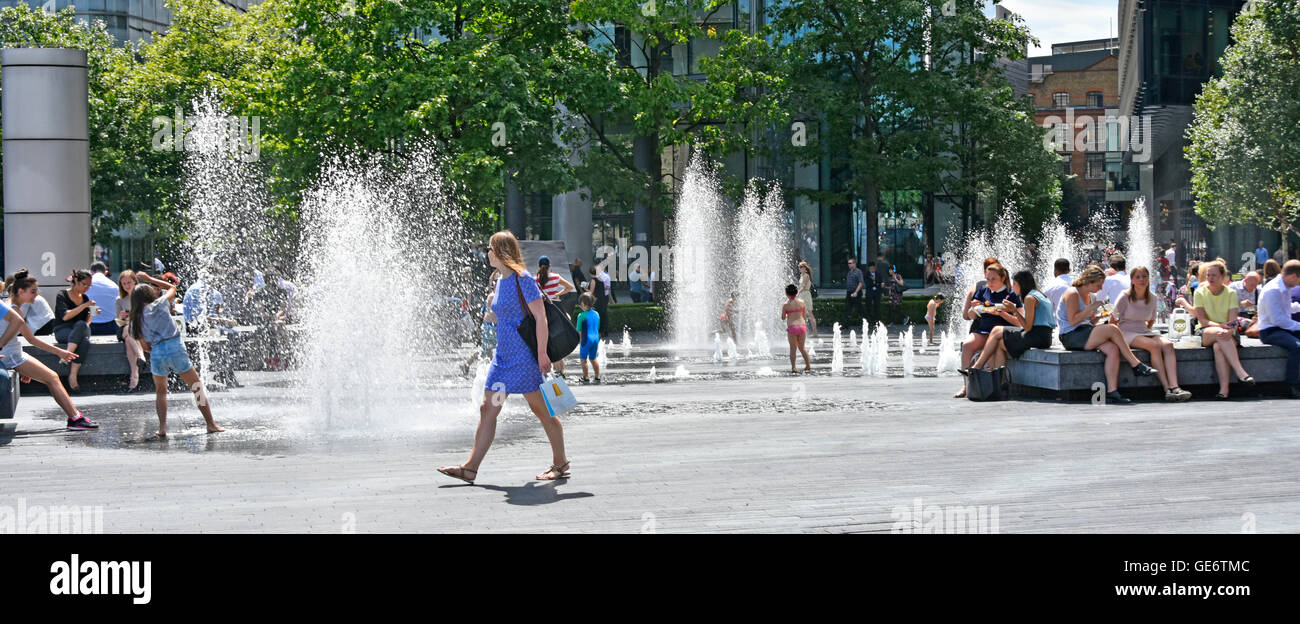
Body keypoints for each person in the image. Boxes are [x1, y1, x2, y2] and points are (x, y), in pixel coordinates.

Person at [439, 231, 570, 484]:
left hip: (524, 359)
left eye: (490, 248)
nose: (487, 252)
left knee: (541, 409)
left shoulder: (524, 280)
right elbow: (505, 315)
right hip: (503, 359)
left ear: (499, 252)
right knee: (488, 408)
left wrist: (542, 353)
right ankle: (470, 468)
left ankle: (560, 462)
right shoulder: (500, 280)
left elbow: (541, 317)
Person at [0, 270, 96, 430]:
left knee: (51, 377)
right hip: (12, 355)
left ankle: (75, 417)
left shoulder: (10, 304)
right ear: (20, 291)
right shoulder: (14, 310)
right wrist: (61, 352)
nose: (36, 296)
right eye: (33, 291)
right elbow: (32, 340)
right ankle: (75, 419)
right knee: (52, 378)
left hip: (14, 353)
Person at [131, 273, 224, 437]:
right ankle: (211, 424)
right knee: (196, 387)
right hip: (174, 347)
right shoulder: (159, 304)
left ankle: (162, 428)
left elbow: (145, 346)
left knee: (161, 392)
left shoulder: (135, 320)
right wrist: (151, 279)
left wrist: (157, 350)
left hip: (157, 353)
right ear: (149, 294)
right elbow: (173, 287)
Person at [1056, 266, 1159, 404]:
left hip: (1084, 331)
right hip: (1070, 335)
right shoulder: (1072, 293)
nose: (1100, 289)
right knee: (1112, 329)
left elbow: (1088, 321)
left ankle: (1112, 391)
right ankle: (1136, 365)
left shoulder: (1091, 296)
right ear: (1089, 281)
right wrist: (1091, 308)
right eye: (1098, 285)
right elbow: (1073, 320)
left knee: (1113, 349)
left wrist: (1098, 317)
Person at [1113, 267, 1192, 402]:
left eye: (1144, 276)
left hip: (1143, 330)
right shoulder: (1124, 296)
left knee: (1168, 345)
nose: (1141, 280)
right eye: (1137, 277)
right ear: (1132, 280)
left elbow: (1151, 320)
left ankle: (1175, 386)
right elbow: (1113, 319)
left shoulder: (1153, 297)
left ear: (1148, 278)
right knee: (1154, 346)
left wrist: (1147, 332)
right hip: (1126, 331)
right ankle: (1167, 389)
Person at [954, 263, 1020, 398]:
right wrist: (974, 308)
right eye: (988, 279)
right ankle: (966, 385)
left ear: (1003, 278)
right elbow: (970, 315)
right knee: (967, 345)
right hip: (983, 329)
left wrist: (1002, 311)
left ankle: (990, 385)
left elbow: (1018, 317)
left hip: (1000, 330)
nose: (989, 282)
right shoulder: (983, 291)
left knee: (992, 351)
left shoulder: (1010, 294)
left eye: (993, 279)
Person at [1192, 260, 1255, 399]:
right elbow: (1202, 320)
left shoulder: (1231, 293)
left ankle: (1223, 391)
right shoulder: (1199, 292)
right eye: (1208, 275)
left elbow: (1233, 321)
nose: (1210, 278)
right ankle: (1241, 373)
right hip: (1206, 330)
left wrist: (1228, 328)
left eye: (1214, 275)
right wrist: (1221, 326)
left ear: (1222, 276)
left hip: (1228, 330)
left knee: (1218, 347)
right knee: (1220, 335)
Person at [969, 270, 1054, 371]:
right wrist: (1007, 311)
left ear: (1022, 284)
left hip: (1037, 336)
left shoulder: (1030, 298)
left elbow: (1027, 327)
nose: (1013, 287)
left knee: (996, 331)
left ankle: (977, 367)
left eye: (1014, 283)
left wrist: (1013, 310)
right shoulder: (1039, 294)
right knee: (999, 342)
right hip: (1043, 336)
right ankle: (1000, 380)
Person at [1256, 260, 1300, 398]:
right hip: (1270, 331)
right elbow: (1278, 319)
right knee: (1298, 347)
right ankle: (1292, 385)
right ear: (1294, 276)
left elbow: (1286, 309)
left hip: (1282, 328)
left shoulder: (1284, 287)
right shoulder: (1273, 290)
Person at [54, 269, 98, 393]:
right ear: (76, 282)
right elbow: (65, 316)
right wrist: (84, 306)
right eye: (84, 284)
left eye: (89, 286)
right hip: (62, 330)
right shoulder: (62, 295)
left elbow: (86, 324)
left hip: (77, 333)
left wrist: (92, 313)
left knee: (84, 339)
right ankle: (68, 360)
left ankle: (71, 370)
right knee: (82, 334)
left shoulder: (85, 298)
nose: (87, 288)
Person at [461, 271, 500, 376]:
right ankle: (467, 363)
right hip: (491, 326)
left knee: (489, 350)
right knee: (486, 350)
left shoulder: (494, 293)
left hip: (494, 326)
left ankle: (492, 370)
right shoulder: (493, 295)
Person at [115, 270, 148, 392]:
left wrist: (132, 315)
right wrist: (122, 316)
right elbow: (117, 319)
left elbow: (147, 314)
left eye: (129, 282)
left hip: (139, 328)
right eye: (124, 283)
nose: (127, 286)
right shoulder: (120, 299)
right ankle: (140, 356)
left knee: (129, 340)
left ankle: (134, 375)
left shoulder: (142, 296)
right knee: (128, 330)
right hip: (125, 327)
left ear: (135, 282)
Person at [780, 283, 811, 373]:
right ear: (797, 292)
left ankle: (794, 367)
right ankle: (808, 365)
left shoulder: (786, 305)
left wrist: (788, 316)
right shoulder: (802, 302)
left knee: (793, 348)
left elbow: (783, 317)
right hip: (802, 326)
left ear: (786, 294)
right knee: (802, 347)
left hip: (792, 327)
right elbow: (804, 315)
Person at [86, 262, 119, 336]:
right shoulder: (114, 286)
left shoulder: (85, 286)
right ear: (106, 272)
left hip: (90, 327)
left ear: (90, 272)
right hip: (111, 327)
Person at [575, 292, 602, 383]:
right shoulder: (596, 314)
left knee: (583, 359)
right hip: (596, 338)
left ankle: (586, 377)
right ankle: (597, 376)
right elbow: (597, 327)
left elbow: (579, 330)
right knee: (593, 358)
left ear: (582, 304)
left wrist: (580, 341)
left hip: (586, 339)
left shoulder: (581, 316)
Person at [587, 265, 613, 339]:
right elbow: (605, 287)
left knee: (597, 315)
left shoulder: (593, 280)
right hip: (603, 298)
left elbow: (591, 292)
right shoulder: (601, 278)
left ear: (590, 273)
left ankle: (599, 331)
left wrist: (585, 290)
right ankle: (604, 331)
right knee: (603, 314)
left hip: (597, 299)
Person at [796, 261, 819, 341]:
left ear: (805, 269)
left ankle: (815, 332)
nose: (799, 268)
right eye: (799, 267)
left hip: (805, 295)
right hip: (802, 295)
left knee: (809, 313)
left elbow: (804, 286)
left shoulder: (806, 275)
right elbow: (800, 286)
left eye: (801, 267)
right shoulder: (801, 276)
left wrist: (798, 292)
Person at [844, 258, 865, 327]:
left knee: (859, 308)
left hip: (856, 292)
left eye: (850, 263)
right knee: (847, 308)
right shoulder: (849, 272)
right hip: (849, 292)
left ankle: (865, 322)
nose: (849, 265)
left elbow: (861, 282)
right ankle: (846, 324)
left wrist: (856, 292)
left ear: (854, 264)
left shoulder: (858, 271)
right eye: (848, 263)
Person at [866, 260, 885, 330]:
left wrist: (876, 281)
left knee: (877, 307)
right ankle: (869, 322)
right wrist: (876, 282)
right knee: (868, 307)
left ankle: (878, 322)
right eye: (871, 268)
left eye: (873, 268)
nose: (872, 269)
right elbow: (867, 284)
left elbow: (881, 282)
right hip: (870, 292)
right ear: (869, 268)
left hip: (877, 293)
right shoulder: (867, 274)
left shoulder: (878, 274)